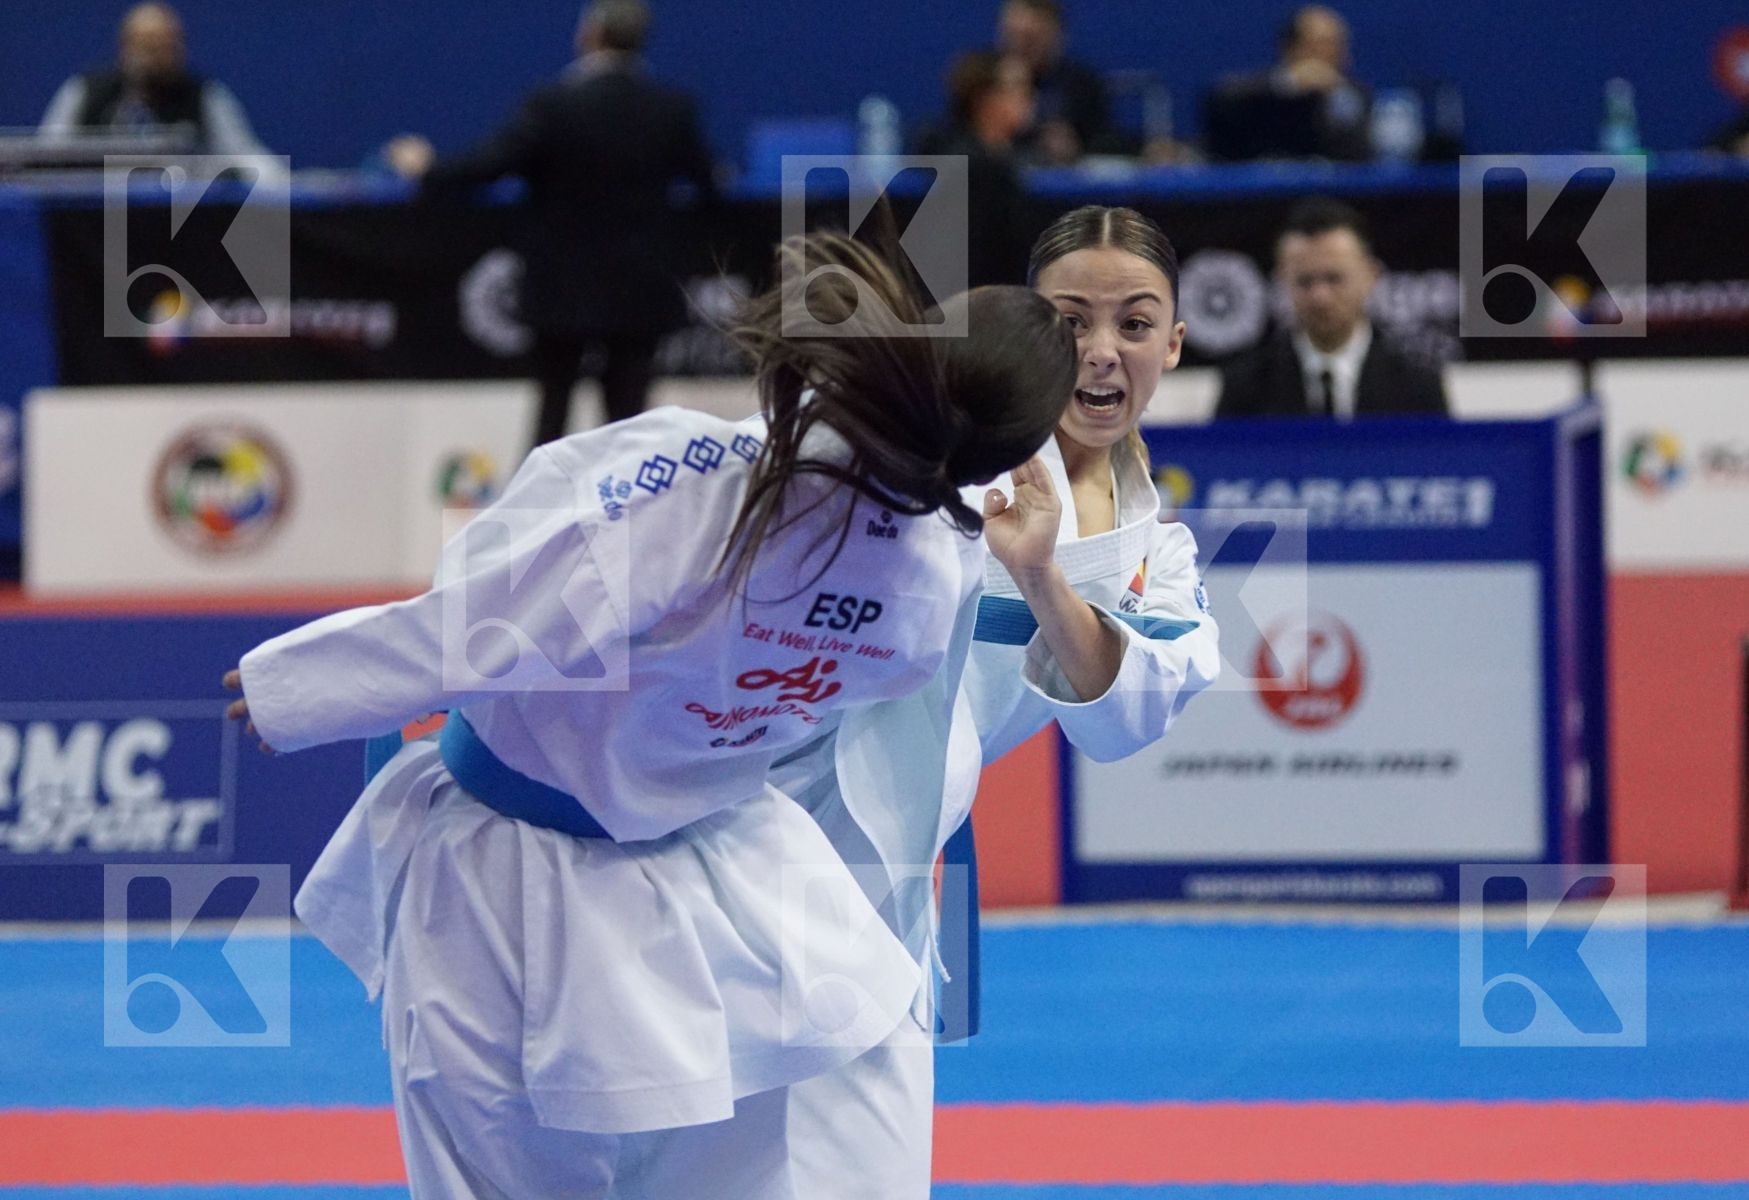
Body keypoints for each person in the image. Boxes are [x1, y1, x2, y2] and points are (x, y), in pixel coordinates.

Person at [221, 231, 1076, 1199]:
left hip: (509, 873)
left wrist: (302, 686)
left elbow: (501, 617)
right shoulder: (925, 584)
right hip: (717, 884)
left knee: (490, 1170)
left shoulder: (718, 479)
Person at [784, 205, 1222, 1198]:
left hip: (881, 875)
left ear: (1176, 343)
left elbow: (1123, 722)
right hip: (736, 818)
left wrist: (1040, 580)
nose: (1101, 354)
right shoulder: (923, 449)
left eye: (1135, 324)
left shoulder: (1157, 551)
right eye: (1071, 322)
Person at [391, 0, 718, 451]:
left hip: (563, 289)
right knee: (631, 425)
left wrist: (427, 170)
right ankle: (635, 517)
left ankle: (540, 519)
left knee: (552, 415)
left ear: (589, 35)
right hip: (640, 290)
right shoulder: (672, 108)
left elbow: (490, 165)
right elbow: (710, 185)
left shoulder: (554, 105)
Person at [1215, 197, 1448, 419]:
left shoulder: (1418, 386)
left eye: (1334, 278)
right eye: (1305, 281)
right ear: (1282, 282)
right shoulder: (1245, 388)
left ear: (1371, 276)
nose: (1320, 297)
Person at [37, 2, 276, 160]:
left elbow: (244, 156)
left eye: (167, 47)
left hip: (177, 220)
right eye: (148, 47)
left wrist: (284, 185)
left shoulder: (203, 95)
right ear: (125, 48)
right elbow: (47, 157)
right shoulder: (86, 91)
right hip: (91, 222)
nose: (158, 57)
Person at [914, 51, 1036, 287]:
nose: (1030, 98)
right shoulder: (977, 170)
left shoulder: (1012, 157)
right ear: (984, 99)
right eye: (1018, 88)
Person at [1202, 4, 1370, 162]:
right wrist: (1290, 85)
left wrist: (1335, 96)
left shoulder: (1352, 94)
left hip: (1326, 190)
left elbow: (1357, 155)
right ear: (1291, 47)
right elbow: (1221, 104)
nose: (1333, 53)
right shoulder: (1255, 90)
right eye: (1322, 44)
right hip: (1261, 189)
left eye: (1339, 45)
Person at [997, 0, 1130, 163]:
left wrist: (1076, 149)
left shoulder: (1081, 84)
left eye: (1031, 38)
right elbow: (959, 145)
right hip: (991, 178)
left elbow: (1108, 145)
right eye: (1014, 35)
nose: (1021, 46)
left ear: (1057, 35)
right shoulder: (983, 82)